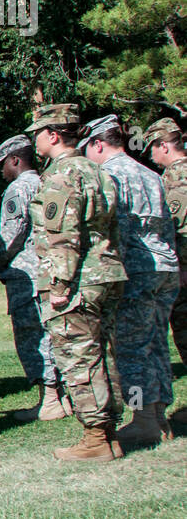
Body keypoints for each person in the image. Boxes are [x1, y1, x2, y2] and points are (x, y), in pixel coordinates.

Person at [27, 104, 127, 461]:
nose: (34, 140)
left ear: (52, 135)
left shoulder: (60, 176)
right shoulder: (97, 171)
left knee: (79, 356)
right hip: (106, 273)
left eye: (37, 133)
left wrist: (58, 287)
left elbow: (62, 237)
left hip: (79, 279)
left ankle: (96, 437)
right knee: (104, 353)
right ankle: (109, 431)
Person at [80, 114, 178, 446]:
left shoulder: (109, 175)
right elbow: (168, 227)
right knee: (155, 342)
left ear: (98, 144)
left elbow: (113, 230)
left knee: (130, 347)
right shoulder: (151, 174)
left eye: (86, 148)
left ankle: (142, 418)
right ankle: (159, 415)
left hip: (135, 269)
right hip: (164, 265)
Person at [0, 134, 71, 422]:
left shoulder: (18, 188)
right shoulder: (48, 181)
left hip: (26, 273)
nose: (2, 170)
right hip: (50, 270)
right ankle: (62, 396)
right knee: (53, 333)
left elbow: (11, 235)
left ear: (15, 160)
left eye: (4, 164)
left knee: (32, 335)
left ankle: (49, 398)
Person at [142, 116, 187, 428]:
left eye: (152, 149)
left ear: (163, 145)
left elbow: (181, 230)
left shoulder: (175, 178)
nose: (150, 156)